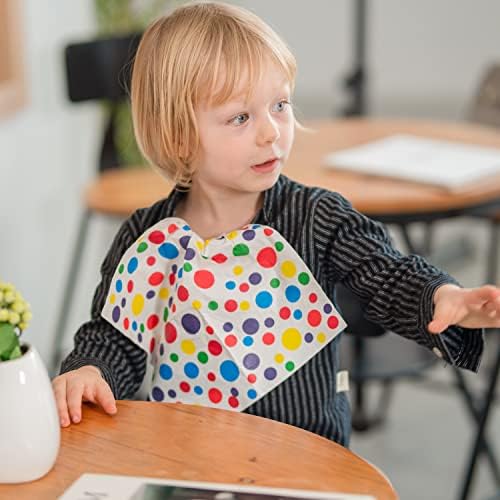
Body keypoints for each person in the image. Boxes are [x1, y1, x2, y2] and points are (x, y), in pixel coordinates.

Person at [53, 1, 500, 447]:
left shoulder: (317, 217)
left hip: (308, 460)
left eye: (280, 105)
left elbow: (386, 276)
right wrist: (91, 370)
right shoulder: (144, 240)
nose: (271, 132)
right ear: (179, 136)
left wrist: (444, 297)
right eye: (240, 117)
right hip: (191, 460)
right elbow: (114, 337)